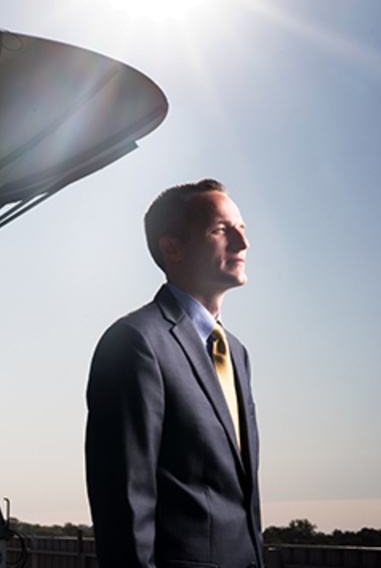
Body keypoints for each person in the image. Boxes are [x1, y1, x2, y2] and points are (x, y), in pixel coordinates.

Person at [85, 179, 264, 568]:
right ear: (172, 247)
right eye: (221, 230)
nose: (242, 243)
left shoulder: (236, 352)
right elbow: (123, 502)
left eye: (242, 229)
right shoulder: (135, 343)